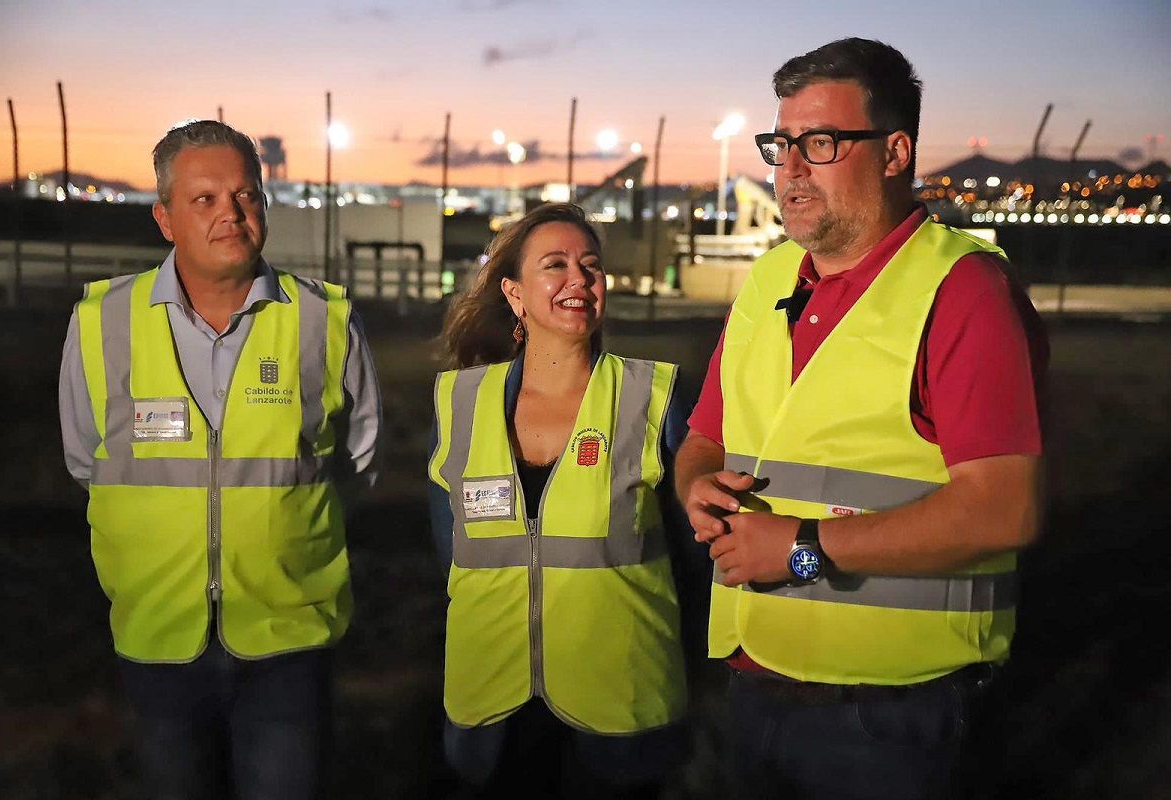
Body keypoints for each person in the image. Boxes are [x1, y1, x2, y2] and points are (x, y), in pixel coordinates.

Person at [674, 38, 1048, 800]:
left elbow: (1007, 509)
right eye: (783, 144)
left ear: (894, 152)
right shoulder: (770, 277)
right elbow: (704, 436)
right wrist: (695, 486)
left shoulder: (963, 291)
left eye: (821, 142)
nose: (791, 170)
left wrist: (803, 549)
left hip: (895, 718)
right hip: (752, 688)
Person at [57, 119, 381, 799]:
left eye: (246, 195)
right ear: (165, 218)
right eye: (204, 199)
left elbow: (358, 463)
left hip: (289, 641)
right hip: (158, 641)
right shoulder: (101, 322)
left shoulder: (324, 321)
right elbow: (86, 460)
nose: (230, 214)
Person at [428, 203, 707, 798]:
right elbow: (446, 553)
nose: (579, 279)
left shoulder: (652, 397)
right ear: (514, 293)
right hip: (494, 711)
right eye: (555, 265)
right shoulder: (459, 402)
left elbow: (695, 560)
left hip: (619, 710)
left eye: (590, 266)